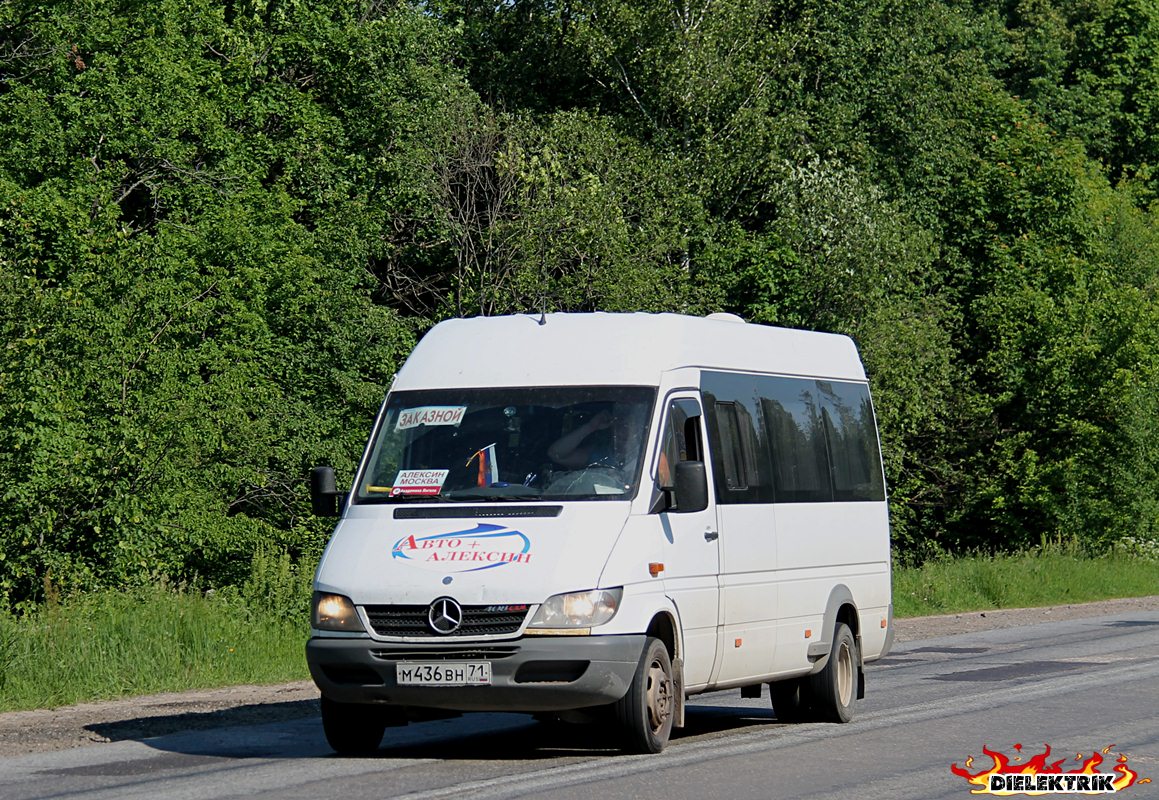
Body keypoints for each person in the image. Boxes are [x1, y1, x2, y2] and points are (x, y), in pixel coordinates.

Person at [547, 406, 640, 473]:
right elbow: (556, 454)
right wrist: (591, 426)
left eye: (628, 426)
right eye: (619, 425)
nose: (623, 432)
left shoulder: (648, 458)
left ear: (639, 430)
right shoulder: (602, 455)